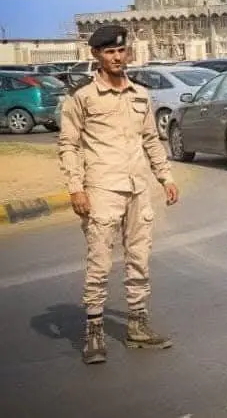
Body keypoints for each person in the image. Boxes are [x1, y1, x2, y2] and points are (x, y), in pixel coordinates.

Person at [58, 25, 180, 364]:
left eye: (121, 51)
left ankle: (138, 326)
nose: (116, 57)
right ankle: (94, 332)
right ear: (96, 54)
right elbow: (68, 145)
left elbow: (151, 140)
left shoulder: (140, 94)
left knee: (139, 258)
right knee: (99, 262)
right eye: (109, 52)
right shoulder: (82, 96)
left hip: (137, 188)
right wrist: (76, 187)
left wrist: (165, 177)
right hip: (102, 190)